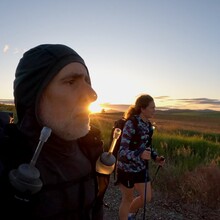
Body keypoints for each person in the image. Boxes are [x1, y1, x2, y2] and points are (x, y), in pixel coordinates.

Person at [0, 44, 110, 220]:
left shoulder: (91, 149)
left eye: (87, 81)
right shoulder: (7, 160)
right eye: (71, 82)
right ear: (33, 96)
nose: (92, 94)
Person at [116, 94, 165, 220]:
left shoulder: (148, 126)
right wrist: (139, 154)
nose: (155, 110)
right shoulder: (131, 124)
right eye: (152, 108)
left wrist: (156, 157)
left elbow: (147, 146)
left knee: (146, 198)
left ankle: (130, 214)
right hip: (126, 169)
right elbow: (122, 152)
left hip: (140, 168)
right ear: (142, 109)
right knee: (127, 199)